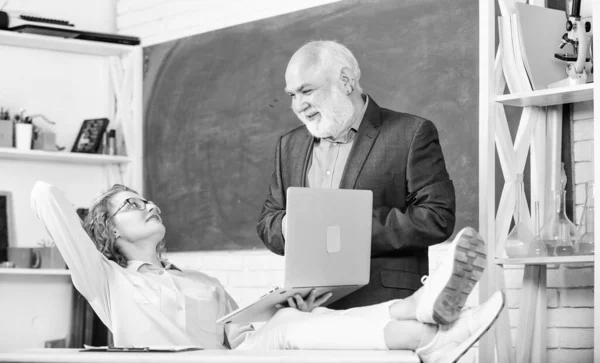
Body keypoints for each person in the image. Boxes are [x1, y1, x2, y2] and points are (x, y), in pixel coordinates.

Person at [30, 181, 503, 363]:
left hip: (228, 358)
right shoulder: (108, 282)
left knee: (298, 319)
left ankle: (423, 329)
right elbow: (44, 199)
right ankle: (423, 319)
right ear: (108, 236)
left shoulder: (202, 282)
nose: (148, 204)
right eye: (130, 206)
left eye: (145, 198)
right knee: (289, 326)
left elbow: (238, 337)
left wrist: (286, 303)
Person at [257, 40, 456, 310]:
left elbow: (437, 217)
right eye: (293, 95)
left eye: (307, 91)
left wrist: (346, 227)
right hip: (309, 309)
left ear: (346, 81)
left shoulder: (411, 133)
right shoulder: (288, 145)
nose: (298, 106)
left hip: (384, 306)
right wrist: (289, 226)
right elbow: (269, 220)